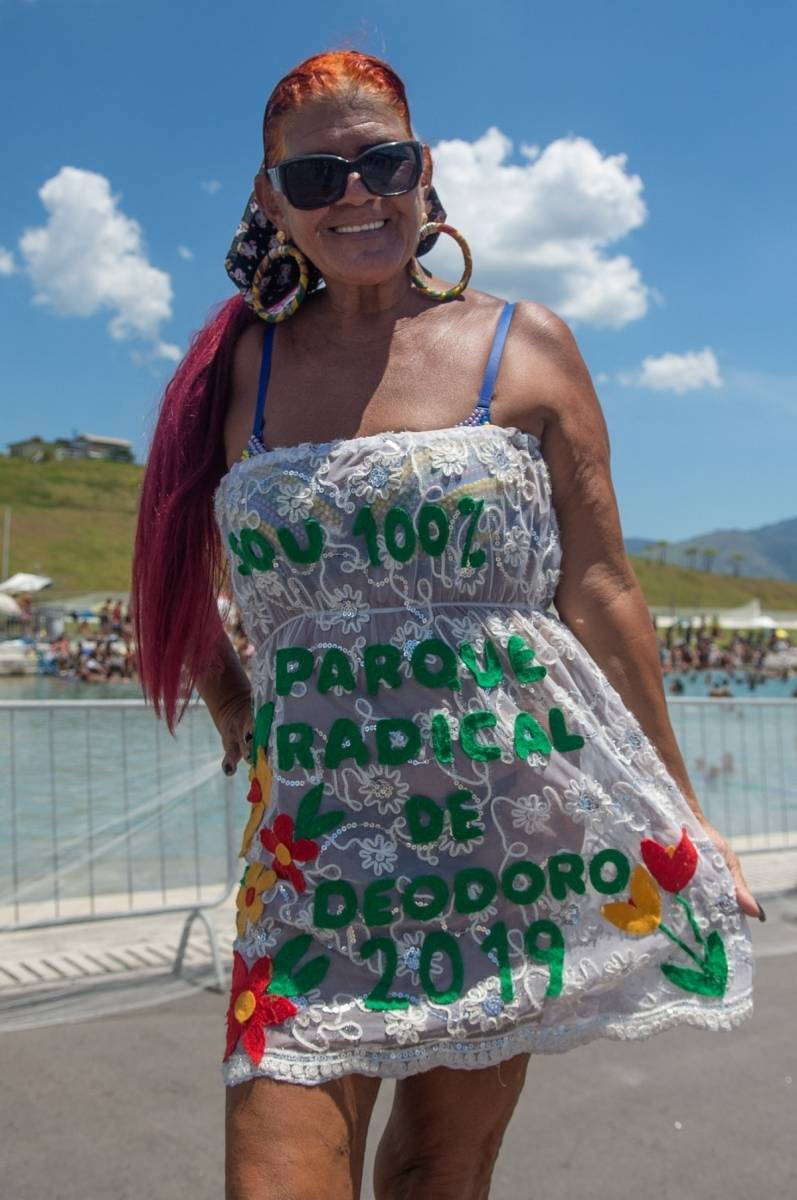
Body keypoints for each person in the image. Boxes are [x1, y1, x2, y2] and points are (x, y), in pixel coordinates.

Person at [133, 50, 762, 1200]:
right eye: (316, 176)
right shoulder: (235, 373)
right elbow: (168, 582)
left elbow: (600, 588)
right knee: (275, 1178)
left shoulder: (525, 345)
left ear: (426, 175)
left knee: (438, 1170)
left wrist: (680, 810)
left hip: (502, 840)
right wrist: (238, 711)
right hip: (315, 858)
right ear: (270, 201)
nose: (355, 193)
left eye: (381, 161)